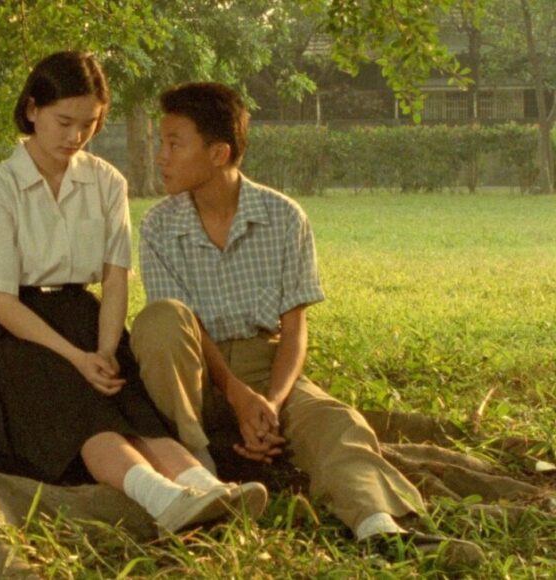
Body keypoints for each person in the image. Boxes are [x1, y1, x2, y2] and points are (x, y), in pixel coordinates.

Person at [130, 81, 484, 565]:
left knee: (336, 420)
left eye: (173, 143)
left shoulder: (283, 217)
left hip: (264, 366)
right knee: (162, 320)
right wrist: (235, 393)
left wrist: (270, 404)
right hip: (189, 374)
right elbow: (180, 328)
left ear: (218, 153)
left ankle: (379, 527)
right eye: (159, 143)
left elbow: (294, 330)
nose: (160, 156)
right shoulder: (158, 226)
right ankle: (203, 476)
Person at [0, 53, 267, 534]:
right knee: (83, 406)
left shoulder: (105, 182)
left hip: (86, 316)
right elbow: (2, 303)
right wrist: (77, 359)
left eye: (89, 124)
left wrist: (102, 349)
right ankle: (161, 497)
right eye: (63, 121)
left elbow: (115, 277)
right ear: (32, 109)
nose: (74, 137)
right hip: (17, 333)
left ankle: (206, 487)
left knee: (132, 403)